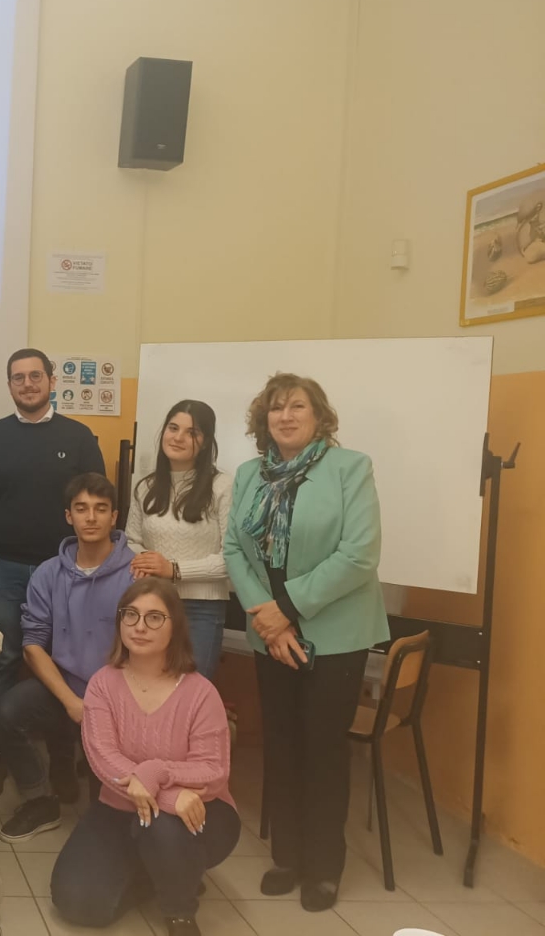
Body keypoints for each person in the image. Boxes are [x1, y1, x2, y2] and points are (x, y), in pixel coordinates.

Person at [223, 373, 388, 912]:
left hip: (336, 635)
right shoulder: (249, 473)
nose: (286, 416)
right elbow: (234, 551)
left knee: (322, 750)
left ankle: (324, 867)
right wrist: (269, 621)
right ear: (262, 419)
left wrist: (286, 610)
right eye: (275, 408)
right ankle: (288, 858)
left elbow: (359, 555)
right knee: (283, 746)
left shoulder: (350, 468)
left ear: (319, 417)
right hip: (270, 632)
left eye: (297, 406)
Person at [51, 578, 240, 936]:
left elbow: (213, 771)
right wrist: (168, 792)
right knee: (75, 901)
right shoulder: (103, 684)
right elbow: (103, 759)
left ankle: (179, 910)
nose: (139, 626)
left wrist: (155, 773)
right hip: (123, 808)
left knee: (160, 824)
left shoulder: (201, 693)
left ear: (176, 627)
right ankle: (163, 875)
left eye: (155, 618)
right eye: (131, 615)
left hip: (199, 814)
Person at [0, 349, 105, 800]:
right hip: (0, 569)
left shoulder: (79, 437)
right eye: (18, 378)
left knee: (63, 664)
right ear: (9, 386)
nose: (27, 384)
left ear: (51, 380)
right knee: (1, 660)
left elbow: (96, 501)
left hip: (64, 571)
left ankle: (62, 761)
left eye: (35, 376)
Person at [0, 473, 134, 841]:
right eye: (81, 509)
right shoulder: (47, 573)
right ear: (68, 516)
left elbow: (146, 649)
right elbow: (33, 644)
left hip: (121, 696)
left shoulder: (137, 574)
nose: (91, 518)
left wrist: (102, 702)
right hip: (66, 691)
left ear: (114, 517)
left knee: (104, 821)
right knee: (6, 712)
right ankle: (40, 799)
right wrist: (71, 701)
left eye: (100, 510)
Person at [125, 400, 233, 679]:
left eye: (191, 432)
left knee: (190, 693)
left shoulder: (223, 486)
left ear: (206, 441)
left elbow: (232, 558)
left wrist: (174, 570)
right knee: (149, 685)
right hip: (152, 605)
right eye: (173, 428)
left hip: (202, 609)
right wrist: (144, 563)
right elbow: (131, 541)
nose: (178, 437)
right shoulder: (145, 486)